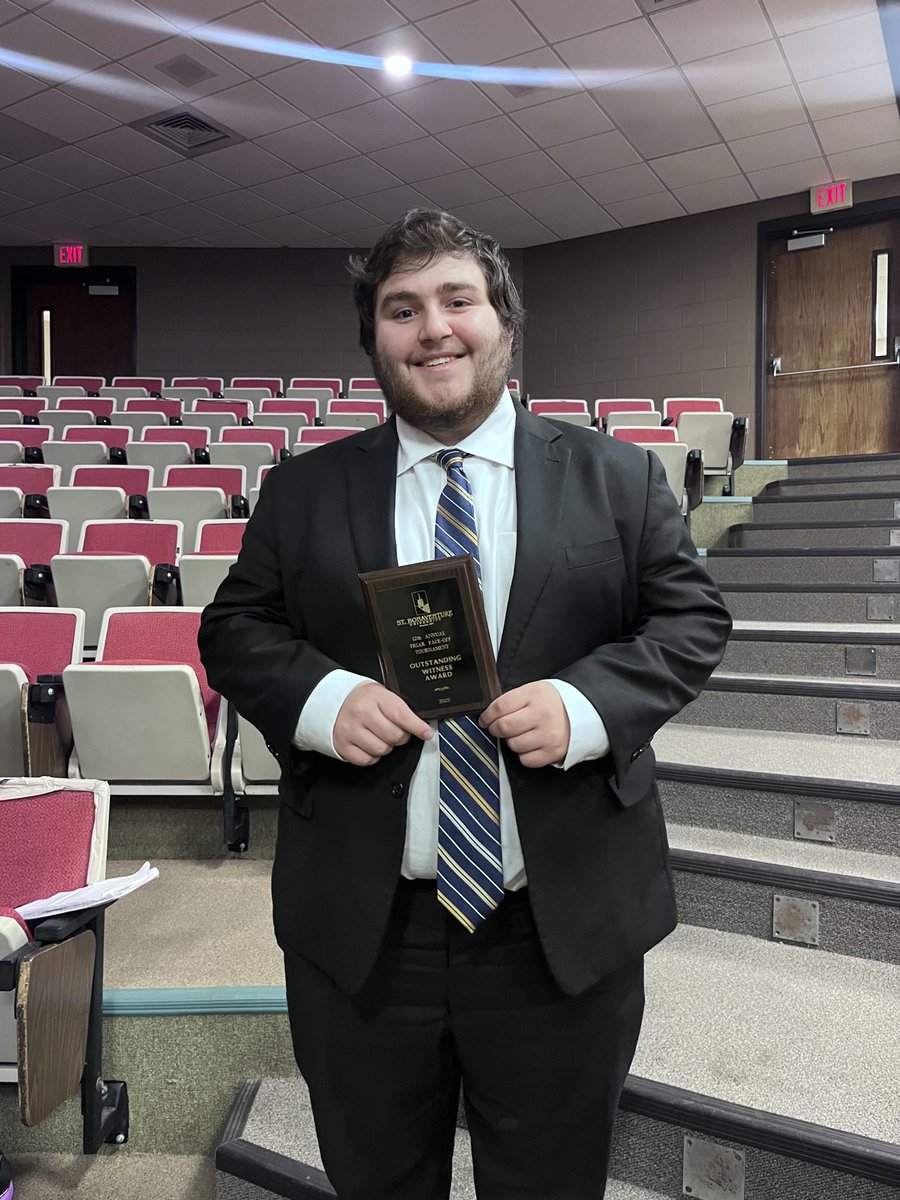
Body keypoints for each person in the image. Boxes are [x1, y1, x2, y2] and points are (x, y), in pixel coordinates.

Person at [198, 208, 732, 1200]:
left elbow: (691, 621)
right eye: (401, 310)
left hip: (555, 930)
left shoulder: (616, 478)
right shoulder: (304, 492)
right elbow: (235, 631)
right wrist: (323, 696)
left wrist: (585, 707)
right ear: (374, 343)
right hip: (365, 932)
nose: (433, 328)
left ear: (503, 323)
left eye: (457, 300)